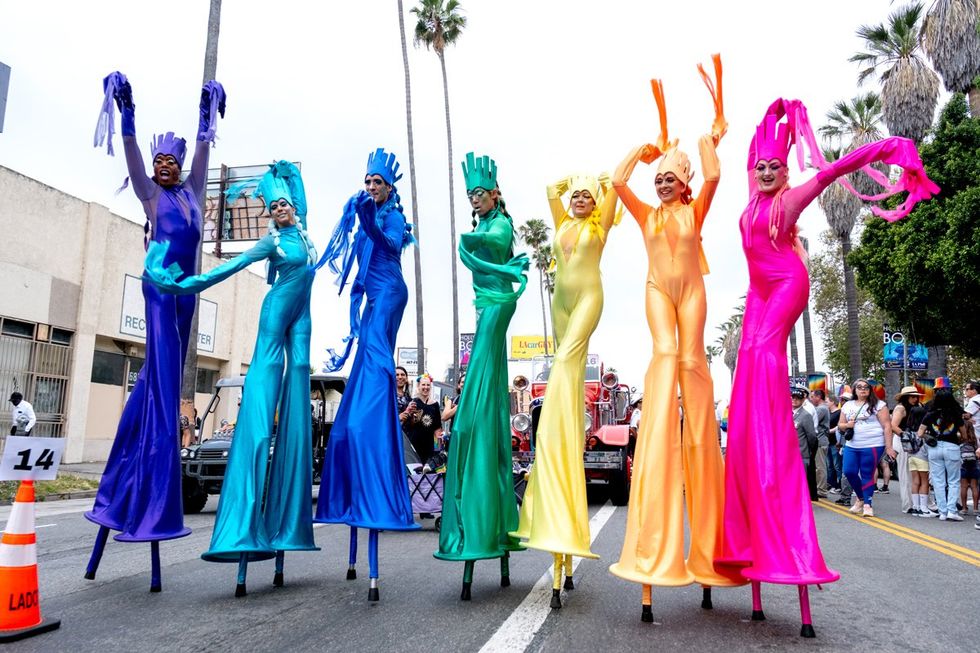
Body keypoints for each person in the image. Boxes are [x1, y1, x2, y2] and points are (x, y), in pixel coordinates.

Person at [720, 98, 936, 635]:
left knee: (765, 355)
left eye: (774, 166)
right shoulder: (750, 198)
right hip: (757, 290)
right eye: (761, 167)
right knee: (747, 362)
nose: (767, 171)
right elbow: (752, 148)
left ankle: (774, 450)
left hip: (787, 284)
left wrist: (891, 149)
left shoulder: (790, 197)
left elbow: (836, 168)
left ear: (784, 172)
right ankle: (752, 451)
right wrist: (773, 119)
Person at [145, 159, 319, 596]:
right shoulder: (272, 241)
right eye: (275, 205)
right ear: (270, 213)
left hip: (303, 323)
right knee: (261, 413)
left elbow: (301, 198)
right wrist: (186, 284)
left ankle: (287, 528)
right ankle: (243, 531)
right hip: (276, 318)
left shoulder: (304, 234)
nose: (281, 209)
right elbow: (229, 268)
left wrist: (293, 178)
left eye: (285, 204)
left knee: (298, 384)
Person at [608, 57, 742, 622]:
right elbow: (617, 182)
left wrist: (710, 138)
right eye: (658, 178)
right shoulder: (646, 218)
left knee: (692, 363)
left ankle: (709, 546)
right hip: (657, 292)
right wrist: (642, 149)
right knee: (665, 359)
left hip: (692, 294)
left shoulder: (694, 211)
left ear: (682, 184)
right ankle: (660, 432)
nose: (662, 183)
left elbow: (713, 177)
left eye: (669, 177)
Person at [85, 72, 225, 591]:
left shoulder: (191, 194)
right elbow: (131, 158)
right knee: (164, 386)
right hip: (159, 288)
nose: (163, 170)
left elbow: (206, 152)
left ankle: (130, 474)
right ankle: (159, 461)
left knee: (158, 383)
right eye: (159, 164)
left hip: (187, 295)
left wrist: (205, 119)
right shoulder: (152, 196)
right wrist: (129, 115)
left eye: (171, 163)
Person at [510, 168, 619, 608]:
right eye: (575, 197)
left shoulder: (600, 226)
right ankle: (555, 427)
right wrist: (567, 186)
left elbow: (615, 192)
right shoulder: (563, 225)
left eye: (585, 198)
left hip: (589, 298)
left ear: (595, 204)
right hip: (560, 304)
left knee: (567, 364)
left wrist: (608, 183)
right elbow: (549, 190)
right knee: (560, 367)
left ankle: (554, 423)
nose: (578, 200)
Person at [314, 148, 419, 602]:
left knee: (376, 357)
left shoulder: (391, 217)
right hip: (372, 295)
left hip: (391, 293)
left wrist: (370, 221)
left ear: (390, 188)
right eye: (368, 181)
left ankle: (372, 424)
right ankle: (356, 440)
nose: (372, 187)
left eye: (378, 183)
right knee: (358, 382)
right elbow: (358, 259)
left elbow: (390, 246)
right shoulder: (364, 213)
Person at [435, 152, 529, 601]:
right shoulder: (481, 225)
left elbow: (480, 252)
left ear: (495, 194)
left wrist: (489, 261)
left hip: (497, 305)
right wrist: (490, 262)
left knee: (475, 409)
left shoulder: (501, 225)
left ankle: (470, 421)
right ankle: (488, 520)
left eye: (481, 192)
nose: (476, 199)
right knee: (481, 405)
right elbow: (475, 256)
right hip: (486, 303)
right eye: (471, 194)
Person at [839, 379, 894, 518]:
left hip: (873, 444)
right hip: (852, 445)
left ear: (870, 390)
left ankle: (867, 504)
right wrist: (847, 426)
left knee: (867, 474)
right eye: (859, 387)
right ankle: (861, 497)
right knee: (849, 472)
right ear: (854, 390)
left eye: (866, 387)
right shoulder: (847, 405)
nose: (863, 389)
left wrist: (889, 447)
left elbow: (887, 426)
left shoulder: (879, 405)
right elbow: (840, 424)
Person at [917, 387, 967, 521]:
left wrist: (930, 436)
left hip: (934, 448)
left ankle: (942, 512)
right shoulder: (956, 415)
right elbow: (964, 435)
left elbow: (920, 433)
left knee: (938, 481)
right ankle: (952, 511)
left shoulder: (930, 414)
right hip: (952, 448)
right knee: (953, 481)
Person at [891, 386, 925, 514]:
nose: (915, 398)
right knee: (905, 474)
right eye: (912, 396)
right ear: (906, 397)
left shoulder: (918, 406)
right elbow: (893, 425)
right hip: (903, 442)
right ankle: (908, 504)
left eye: (916, 396)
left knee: (918, 473)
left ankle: (920, 503)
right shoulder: (901, 408)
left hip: (915, 441)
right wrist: (906, 436)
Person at [405, 373, 443, 468]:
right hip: (414, 445)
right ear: (418, 386)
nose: (426, 387)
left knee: (429, 475)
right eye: (423, 384)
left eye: (428, 385)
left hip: (429, 445)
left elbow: (437, 428)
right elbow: (408, 425)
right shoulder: (412, 402)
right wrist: (414, 418)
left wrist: (438, 448)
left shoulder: (435, 405)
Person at [793, 388, 818, 501]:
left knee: (801, 480)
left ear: (803, 400)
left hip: (801, 452)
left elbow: (811, 436)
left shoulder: (806, 415)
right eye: (793, 397)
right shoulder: (786, 412)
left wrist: (808, 450)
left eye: (798, 398)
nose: (794, 400)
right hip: (787, 453)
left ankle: (802, 502)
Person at [809, 390, 830, 498]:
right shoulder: (820, 408)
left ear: (818, 397)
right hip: (819, 440)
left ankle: (821, 490)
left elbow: (810, 420)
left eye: (812, 396)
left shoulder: (821, 409)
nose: (811, 398)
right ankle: (818, 488)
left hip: (821, 441)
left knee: (820, 466)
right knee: (817, 466)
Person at [958, 420, 978, 517]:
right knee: (974, 486)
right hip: (974, 464)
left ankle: (964, 508)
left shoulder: (960, 439)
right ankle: (975, 508)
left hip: (963, 464)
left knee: (964, 487)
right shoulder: (975, 439)